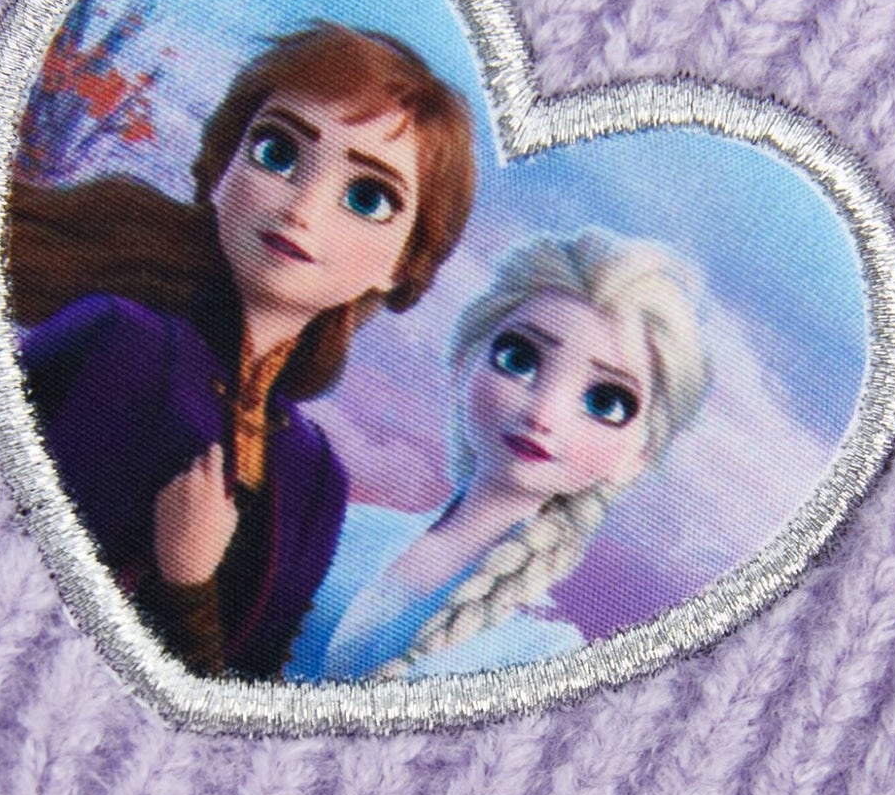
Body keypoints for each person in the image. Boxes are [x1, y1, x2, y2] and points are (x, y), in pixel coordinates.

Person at [10, 22, 477, 679]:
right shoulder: (116, 346)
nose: (303, 208)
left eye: (366, 198)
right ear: (222, 170)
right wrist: (181, 587)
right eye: (277, 152)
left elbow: (245, 701)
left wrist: (189, 588)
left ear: (401, 265)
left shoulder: (316, 480)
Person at [287, 229, 712, 682]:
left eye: (605, 402)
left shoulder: (547, 653)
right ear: (463, 363)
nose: (542, 414)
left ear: (639, 455)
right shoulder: (340, 529)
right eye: (520, 358)